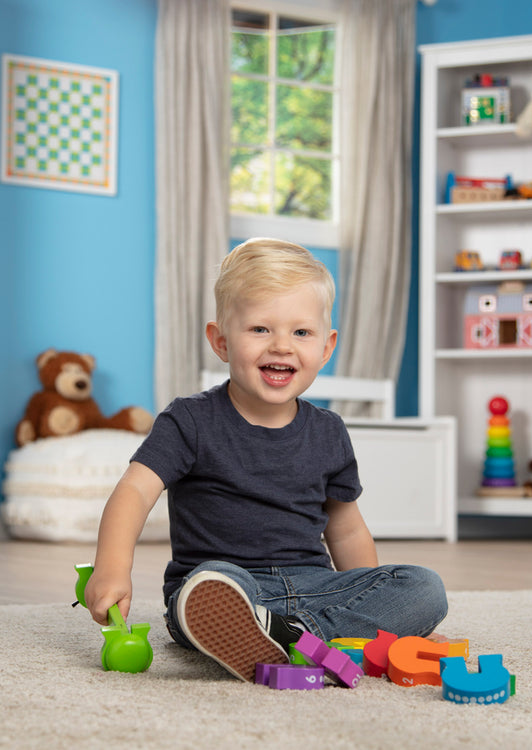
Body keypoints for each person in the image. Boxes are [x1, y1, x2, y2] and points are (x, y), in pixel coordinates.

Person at [84, 237, 448, 682]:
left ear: (326, 347)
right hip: (224, 586)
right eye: (260, 329)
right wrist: (111, 568)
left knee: (424, 587)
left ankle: (296, 637)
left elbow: (347, 527)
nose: (281, 346)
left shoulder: (329, 430)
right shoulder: (190, 419)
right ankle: (261, 632)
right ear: (220, 341)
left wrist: (369, 598)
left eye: (301, 332)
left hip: (314, 588)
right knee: (209, 584)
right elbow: (135, 491)